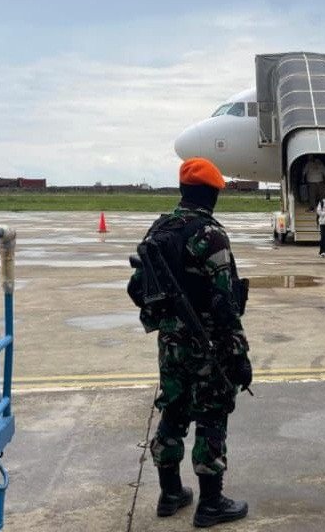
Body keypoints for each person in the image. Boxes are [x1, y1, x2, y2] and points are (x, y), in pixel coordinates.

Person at [127, 157, 252, 527]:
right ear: (212, 194)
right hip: (207, 343)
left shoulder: (160, 228)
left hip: (170, 342)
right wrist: (239, 354)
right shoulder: (210, 235)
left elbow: (138, 289)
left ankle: (170, 493)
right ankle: (211, 503)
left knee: (174, 410)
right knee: (211, 415)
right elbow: (225, 303)